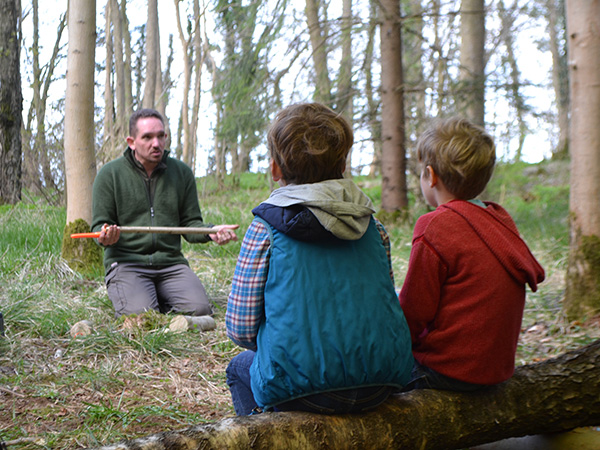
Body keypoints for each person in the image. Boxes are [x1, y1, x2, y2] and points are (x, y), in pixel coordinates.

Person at [225, 102, 414, 416]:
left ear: (275, 169)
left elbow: (240, 328)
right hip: (382, 383)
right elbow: (380, 307)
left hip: (300, 393)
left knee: (238, 369)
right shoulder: (373, 227)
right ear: (342, 165)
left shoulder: (265, 230)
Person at [399, 117, 545, 392]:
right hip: (496, 371)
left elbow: (414, 311)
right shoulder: (498, 219)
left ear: (431, 176)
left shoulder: (435, 225)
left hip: (448, 370)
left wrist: (391, 346)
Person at [91, 108, 238, 318]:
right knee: (141, 317)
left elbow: (190, 225)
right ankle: (141, 296)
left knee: (200, 311)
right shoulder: (109, 174)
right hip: (127, 263)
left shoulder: (182, 173)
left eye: (161, 136)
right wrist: (105, 236)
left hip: (171, 264)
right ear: (131, 142)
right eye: (148, 137)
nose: (156, 143)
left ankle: (158, 294)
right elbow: (98, 227)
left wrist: (211, 232)